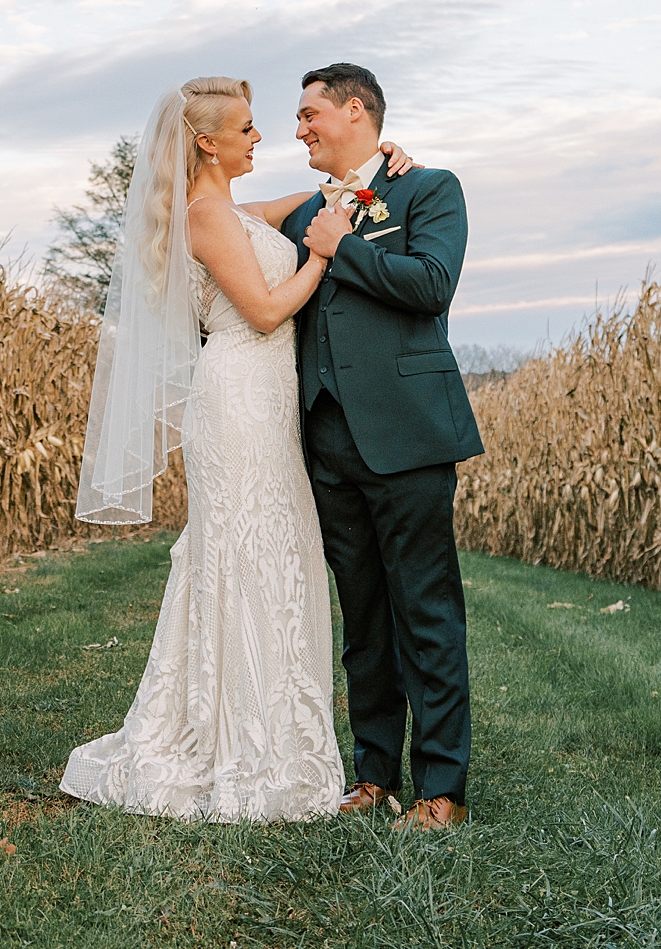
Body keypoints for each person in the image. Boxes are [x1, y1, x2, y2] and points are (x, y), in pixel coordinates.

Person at [60, 76, 414, 822]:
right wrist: (326, 256)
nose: (262, 139)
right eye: (248, 129)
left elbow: (308, 203)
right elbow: (261, 310)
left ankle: (272, 729)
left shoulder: (229, 210)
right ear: (207, 142)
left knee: (274, 547)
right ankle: (237, 740)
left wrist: (369, 173)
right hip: (237, 395)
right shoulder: (204, 214)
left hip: (265, 401)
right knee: (244, 548)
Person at [280, 64, 483, 832]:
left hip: (408, 435)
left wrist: (344, 243)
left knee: (424, 612)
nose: (299, 128)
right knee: (362, 617)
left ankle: (443, 788)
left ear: (355, 110)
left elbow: (432, 282)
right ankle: (374, 775)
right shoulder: (303, 207)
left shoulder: (427, 189)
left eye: (309, 113)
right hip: (327, 440)